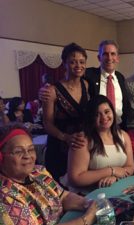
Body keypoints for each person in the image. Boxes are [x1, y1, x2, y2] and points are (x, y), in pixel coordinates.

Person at [0, 124, 97, 225]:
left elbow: (63, 197)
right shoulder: (4, 196)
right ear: (1, 157)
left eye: (31, 149)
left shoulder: (38, 172)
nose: (27, 155)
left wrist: (88, 204)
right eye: (18, 151)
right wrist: (86, 219)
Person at [65, 95, 134, 193]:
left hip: (116, 190)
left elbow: (130, 167)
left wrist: (115, 177)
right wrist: (111, 171)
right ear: (90, 118)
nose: (104, 117)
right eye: (97, 115)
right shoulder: (82, 139)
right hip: (87, 195)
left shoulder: (123, 135)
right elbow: (75, 178)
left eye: (107, 112)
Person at [42, 42, 89, 181]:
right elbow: (47, 124)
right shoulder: (51, 91)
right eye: (73, 62)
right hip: (59, 147)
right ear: (64, 63)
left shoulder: (87, 85)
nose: (78, 66)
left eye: (82, 62)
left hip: (81, 146)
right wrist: (65, 137)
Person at [85, 40, 129, 129]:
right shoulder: (89, 75)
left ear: (117, 58)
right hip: (97, 129)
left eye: (113, 54)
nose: (109, 58)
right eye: (105, 54)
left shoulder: (120, 77)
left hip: (119, 128)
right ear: (99, 57)